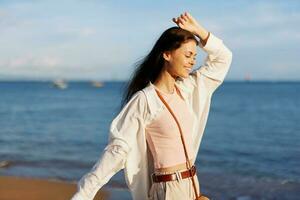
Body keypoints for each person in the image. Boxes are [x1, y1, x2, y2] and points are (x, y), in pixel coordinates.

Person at [71, 12, 232, 200]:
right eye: (188, 55)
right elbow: (118, 149)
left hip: (192, 184)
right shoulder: (145, 100)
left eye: (195, 56)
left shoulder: (188, 90)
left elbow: (223, 58)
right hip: (168, 190)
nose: (192, 61)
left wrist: (199, 31)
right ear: (166, 54)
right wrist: (83, 195)